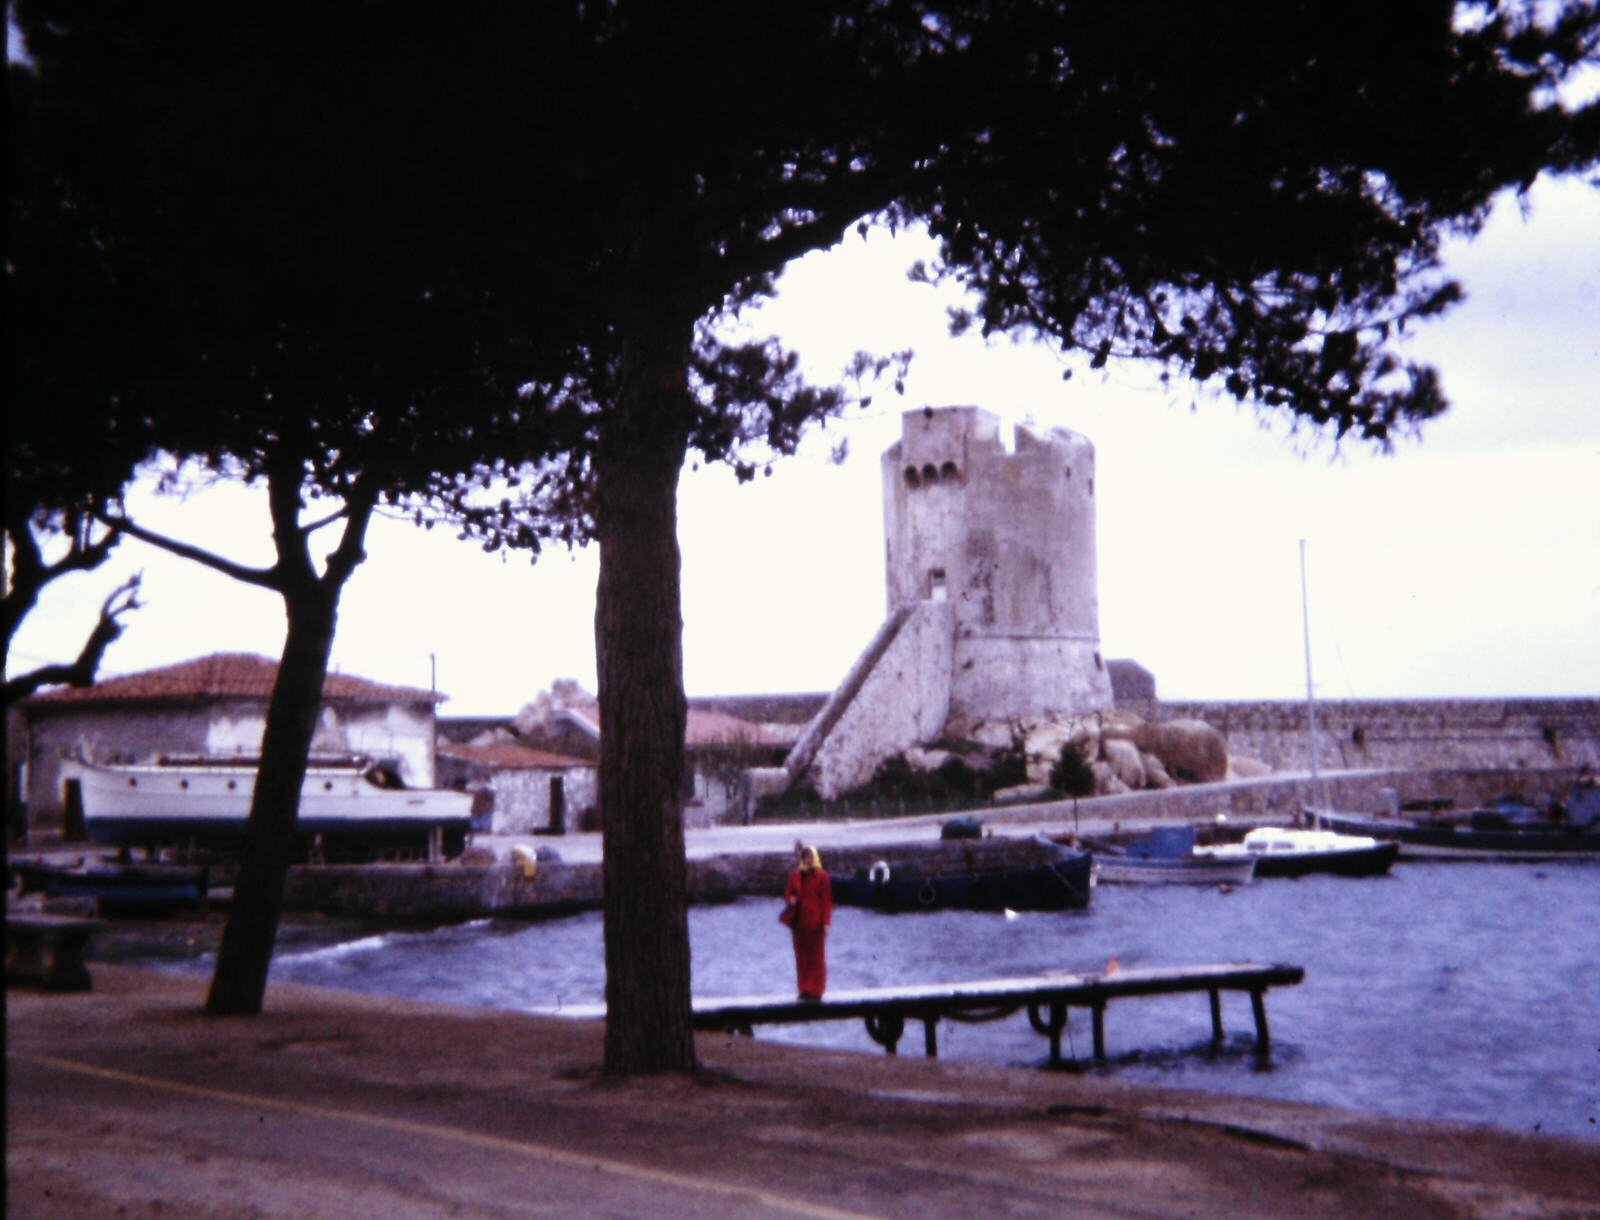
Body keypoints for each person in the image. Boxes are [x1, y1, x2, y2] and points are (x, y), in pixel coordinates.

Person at [783, 845, 832, 1000]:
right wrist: (790, 899)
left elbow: (826, 901)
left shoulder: (822, 876)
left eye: (811, 857)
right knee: (801, 957)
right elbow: (788, 892)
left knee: (816, 957)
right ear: (802, 859)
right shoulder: (796, 874)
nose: (808, 860)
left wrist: (826, 922)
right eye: (806, 857)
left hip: (815, 922)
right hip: (799, 922)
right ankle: (804, 988)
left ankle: (816, 989)